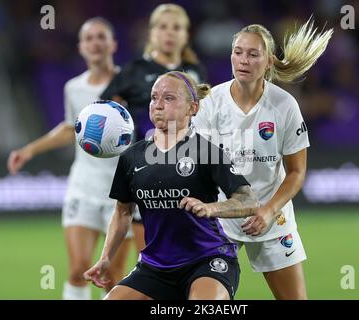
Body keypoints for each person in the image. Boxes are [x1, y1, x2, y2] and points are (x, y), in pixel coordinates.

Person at [84, 71, 260, 300]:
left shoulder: (206, 151)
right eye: (154, 97)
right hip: (155, 266)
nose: (158, 105)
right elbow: (123, 211)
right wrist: (106, 257)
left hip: (207, 260)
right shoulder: (132, 156)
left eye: (168, 98)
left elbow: (249, 201)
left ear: (192, 108)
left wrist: (210, 208)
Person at [192, 20, 333, 299]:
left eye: (253, 54)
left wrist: (268, 210)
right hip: (221, 220)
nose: (243, 60)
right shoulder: (211, 103)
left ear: (268, 61)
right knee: (204, 302)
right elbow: (201, 167)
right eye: (238, 52)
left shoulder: (284, 106)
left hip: (271, 217)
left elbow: (296, 172)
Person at [6, 17, 134, 300]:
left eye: (101, 37)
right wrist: (29, 150)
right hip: (83, 186)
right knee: (78, 269)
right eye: (89, 38)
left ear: (113, 44)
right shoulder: (73, 88)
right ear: (81, 47)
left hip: (121, 193)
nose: (95, 43)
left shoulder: (131, 82)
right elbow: (69, 128)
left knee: (112, 276)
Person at [100, 3, 207, 257]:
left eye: (176, 28)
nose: (169, 33)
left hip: (190, 173)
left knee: (190, 261)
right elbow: (105, 116)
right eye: (163, 27)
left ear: (186, 35)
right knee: (154, 265)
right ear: (151, 33)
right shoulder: (133, 72)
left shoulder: (195, 72)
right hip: (148, 174)